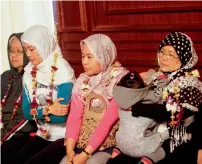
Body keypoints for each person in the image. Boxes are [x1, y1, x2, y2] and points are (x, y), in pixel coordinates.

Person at [107, 32, 202, 164]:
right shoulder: (157, 77)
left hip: (177, 138)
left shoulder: (190, 82)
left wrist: (136, 108)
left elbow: (174, 113)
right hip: (151, 132)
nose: (163, 57)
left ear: (183, 58)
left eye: (170, 54)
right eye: (162, 52)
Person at [61, 34, 129, 164]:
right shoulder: (83, 80)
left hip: (108, 144)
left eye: (90, 57)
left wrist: (85, 155)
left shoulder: (120, 80)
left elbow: (107, 122)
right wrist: (70, 151)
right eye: (82, 56)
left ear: (103, 56)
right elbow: (75, 117)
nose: (84, 61)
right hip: (83, 142)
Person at [15, 25, 75, 164]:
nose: (28, 55)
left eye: (32, 49)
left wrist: (39, 111)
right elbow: (26, 112)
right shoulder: (29, 72)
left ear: (43, 45)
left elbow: (61, 117)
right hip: (42, 133)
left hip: (64, 136)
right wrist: (49, 109)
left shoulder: (63, 70)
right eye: (26, 50)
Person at [108, 70, 169, 164]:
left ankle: (117, 151)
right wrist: (162, 79)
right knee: (162, 146)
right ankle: (147, 160)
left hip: (121, 144)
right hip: (140, 149)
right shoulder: (147, 98)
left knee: (127, 132)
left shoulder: (119, 100)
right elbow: (158, 95)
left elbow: (129, 85)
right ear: (142, 89)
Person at [1, 33, 37, 164]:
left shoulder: (34, 79)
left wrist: (2, 136)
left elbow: (27, 119)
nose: (13, 55)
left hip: (21, 134)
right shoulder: (5, 77)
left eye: (19, 51)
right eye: (11, 50)